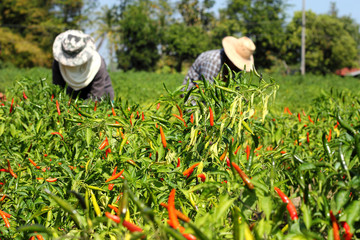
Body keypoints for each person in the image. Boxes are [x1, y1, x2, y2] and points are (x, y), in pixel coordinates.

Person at [52, 30, 114, 101]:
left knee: (96, 108)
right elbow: (57, 87)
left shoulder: (97, 64)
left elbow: (96, 97)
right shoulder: (58, 63)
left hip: (102, 94)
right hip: (74, 93)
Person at [182, 36, 256, 91]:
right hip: (192, 93)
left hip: (213, 96)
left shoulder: (235, 69)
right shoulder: (214, 61)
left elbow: (235, 89)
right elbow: (208, 91)